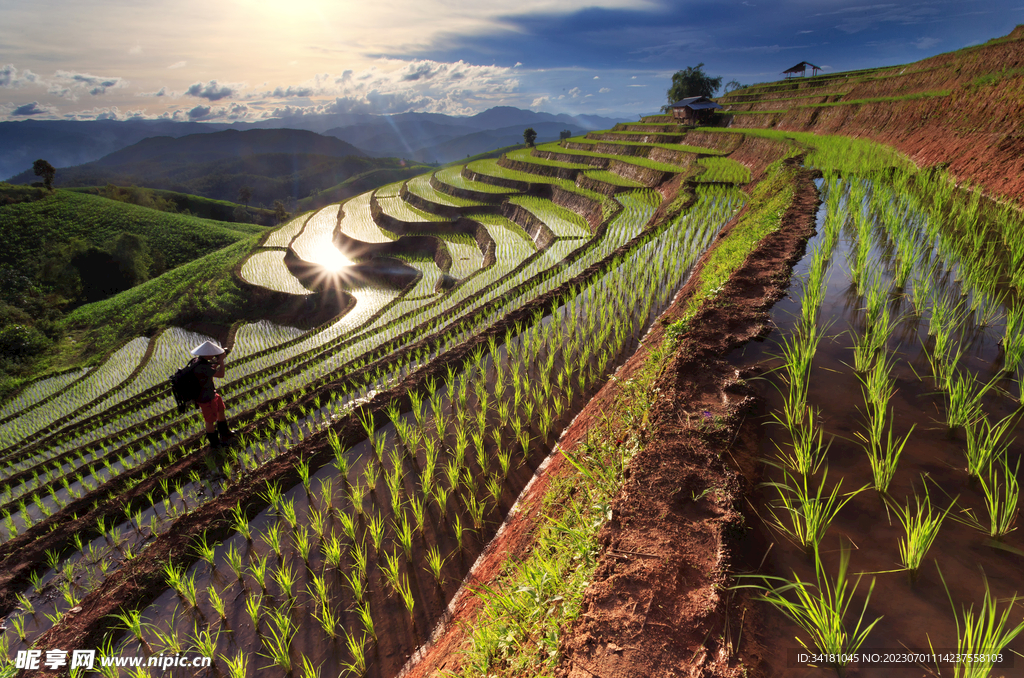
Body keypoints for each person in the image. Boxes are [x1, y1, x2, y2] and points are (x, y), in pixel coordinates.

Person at [191, 341, 235, 448]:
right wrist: (222, 362)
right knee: (210, 420)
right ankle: (215, 443)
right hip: (205, 397)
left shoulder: (199, 361)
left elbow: (211, 370)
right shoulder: (201, 366)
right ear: (207, 354)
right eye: (212, 353)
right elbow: (221, 374)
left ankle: (225, 433)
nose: (214, 355)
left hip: (212, 393)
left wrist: (219, 362)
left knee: (221, 409)